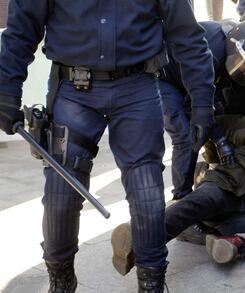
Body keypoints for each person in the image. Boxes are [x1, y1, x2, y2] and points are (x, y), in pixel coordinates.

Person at [0, 0, 215, 292]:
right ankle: (61, 280)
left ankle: (152, 283)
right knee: (61, 194)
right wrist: (6, 91)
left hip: (137, 88)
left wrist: (202, 100)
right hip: (73, 89)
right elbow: (22, 26)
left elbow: (186, 33)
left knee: (147, 193)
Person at [111, 97, 245, 273]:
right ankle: (135, 240)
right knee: (194, 204)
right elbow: (214, 127)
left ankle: (233, 244)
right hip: (226, 186)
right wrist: (217, 164)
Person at [162, 13, 245, 200]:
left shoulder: (240, 53)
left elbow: (239, 104)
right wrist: (220, 140)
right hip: (166, 78)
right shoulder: (210, 56)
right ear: (236, 48)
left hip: (193, 82)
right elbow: (196, 110)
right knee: (187, 137)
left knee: (221, 117)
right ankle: (182, 199)